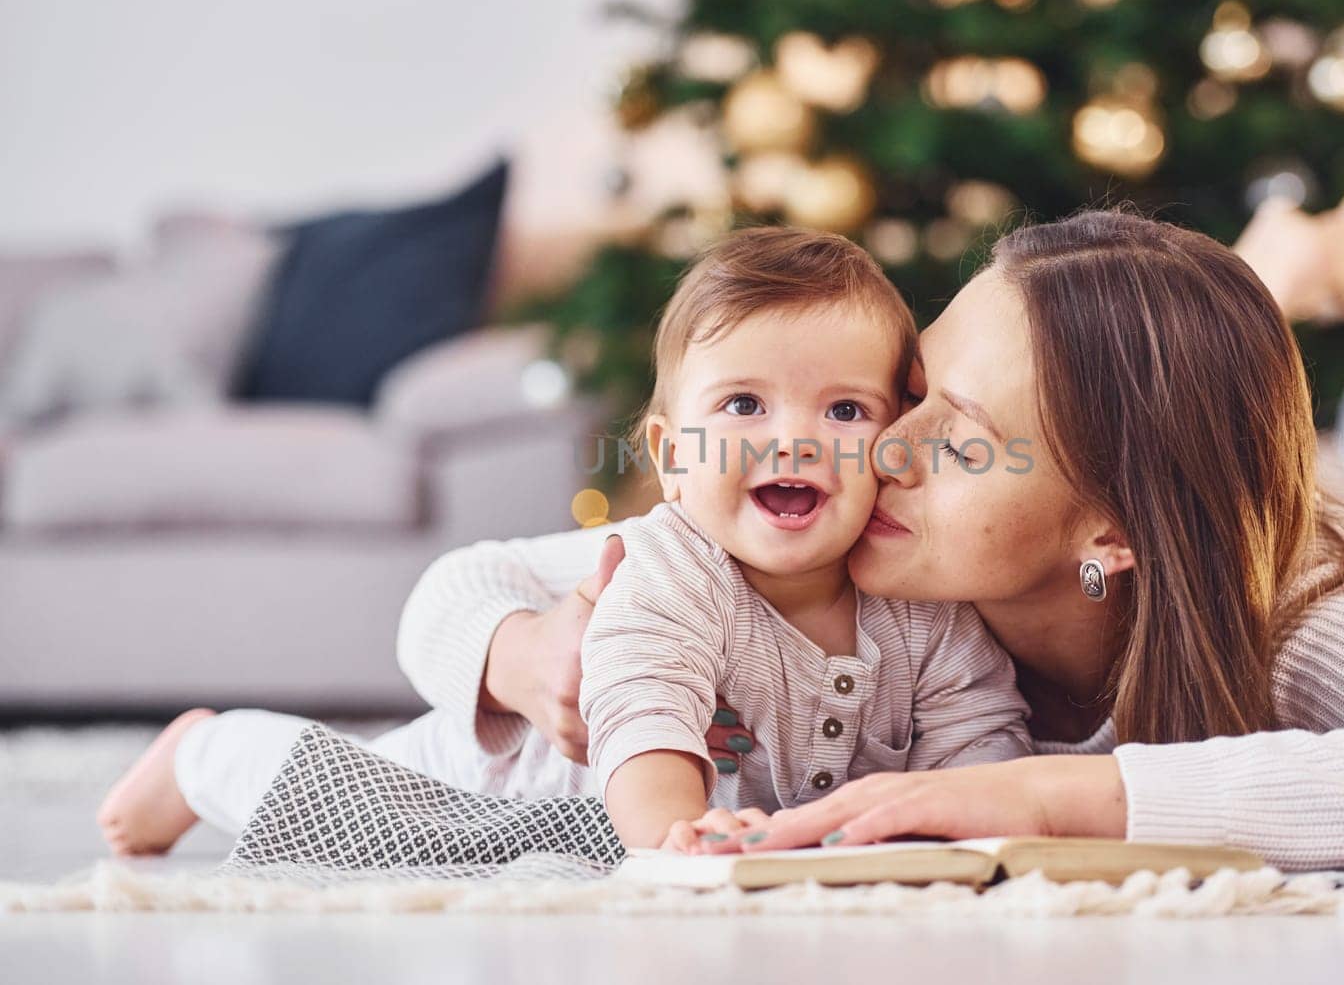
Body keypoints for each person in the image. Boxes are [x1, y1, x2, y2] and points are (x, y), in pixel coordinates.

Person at [396, 189, 1344, 884]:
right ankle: (1256, 277)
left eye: (959, 437)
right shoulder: (865, 533)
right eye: (909, 389)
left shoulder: (1304, 599)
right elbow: (470, 581)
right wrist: (520, 650)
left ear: (1112, 532)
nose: (885, 447)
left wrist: (1042, 792)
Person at [96, 227, 1031, 856]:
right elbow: (648, 716)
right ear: (670, 454)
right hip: (496, 787)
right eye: (743, 403)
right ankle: (199, 754)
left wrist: (959, 838)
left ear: (894, 436)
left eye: (843, 408)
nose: (792, 438)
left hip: (648, 840)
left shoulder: (922, 607)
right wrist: (676, 842)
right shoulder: (667, 567)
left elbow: (979, 741)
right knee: (344, 817)